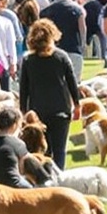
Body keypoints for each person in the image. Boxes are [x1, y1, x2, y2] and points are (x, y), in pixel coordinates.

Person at [18, 19, 83, 172]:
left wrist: (23, 110)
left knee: (42, 149)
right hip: (61, 110)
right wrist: (77, 104)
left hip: (37, 112)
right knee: (60, 150)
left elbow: (23, 88)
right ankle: (59, 177)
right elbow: (72, 82)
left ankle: (44, 176)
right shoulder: (61, 56)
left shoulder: (28, 60)